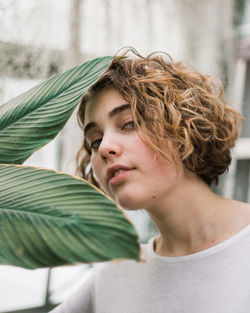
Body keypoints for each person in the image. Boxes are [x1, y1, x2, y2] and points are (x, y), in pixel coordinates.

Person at [51, 48, 250, 313]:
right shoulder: (114, 277)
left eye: (129, 123)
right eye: (95, 141)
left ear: (184, 126)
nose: (104, 148)